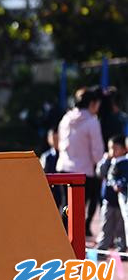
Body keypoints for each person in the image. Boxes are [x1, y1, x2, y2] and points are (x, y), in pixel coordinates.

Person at [56, 87, 105, 237]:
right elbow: (97, 151)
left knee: (66, 204)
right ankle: (74, 239)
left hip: (63, 167)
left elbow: (60, 142)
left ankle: (61, 235)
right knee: (78, 207)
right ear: (92, 103)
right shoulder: (92, 122)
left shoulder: (66, 118)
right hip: (83, 170)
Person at [96, 135, 128, 254]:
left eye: (116, 148)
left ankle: (121, 248)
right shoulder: (109, 161)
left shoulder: (124, 163)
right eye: (110, 148)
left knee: (120, 227)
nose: (112, 151)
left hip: (120, 201)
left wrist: (119, 184)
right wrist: (105, 161)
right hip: (108, 199)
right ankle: (103, 246)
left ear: (124, 149)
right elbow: (100, 173)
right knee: (105, 224)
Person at [40, 127, 63, 209]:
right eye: (53, 138)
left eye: (57, 138)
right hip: (51, 189)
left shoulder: (64, 155)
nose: (55, 141)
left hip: (62, 187)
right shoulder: (46, 156)